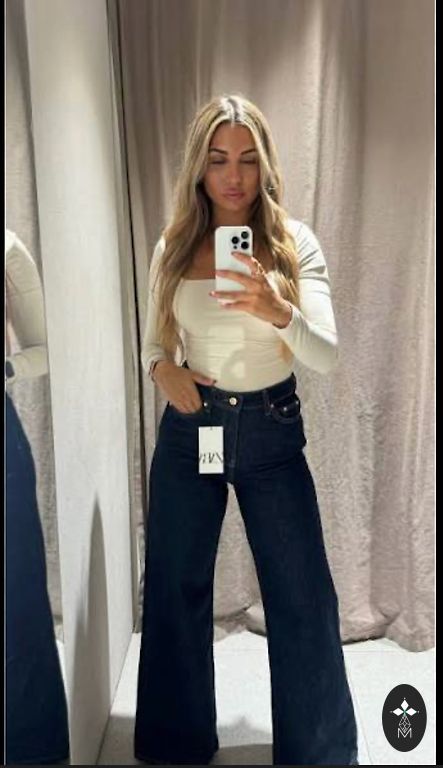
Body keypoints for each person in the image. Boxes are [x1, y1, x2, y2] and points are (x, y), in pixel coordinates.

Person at [134, 94, 359, 766]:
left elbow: (325, 354)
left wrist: (277, 307)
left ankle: (317, 751)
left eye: (247, 160)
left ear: (265, 166)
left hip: (268, 431)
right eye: (218, 159)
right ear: (198, 168)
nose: (233, 176)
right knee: (175, 584)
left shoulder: (293, 242)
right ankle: (175, 744)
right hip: (195, 430)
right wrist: (161, 371)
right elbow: (154, 342)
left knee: (300, 593)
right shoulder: (174, 244)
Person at [5, 230, 70, 764]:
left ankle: (32, 746)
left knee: (17, 593)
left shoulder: (5, 247)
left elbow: (47, 349)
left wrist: (6, 368)